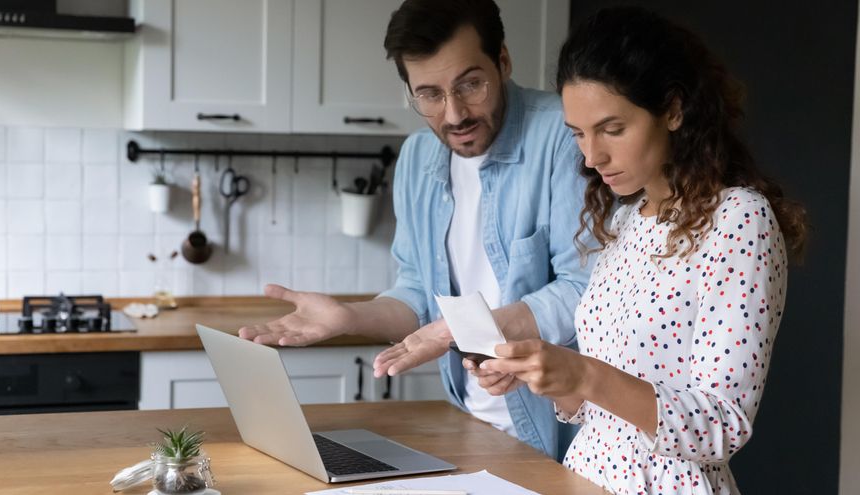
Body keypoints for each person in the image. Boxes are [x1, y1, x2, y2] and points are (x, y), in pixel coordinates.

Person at [238, 0, 592, 460]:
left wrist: (456, 331)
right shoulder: (416, 158)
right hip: (469, 418)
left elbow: (583, 288)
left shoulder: (564, 137)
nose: (453, 114)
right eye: (429, 94)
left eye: (471, 84)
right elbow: (416, 293)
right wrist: (351, 317)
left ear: (502, 61)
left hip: (563, 429)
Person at [476, 6, 807, 494]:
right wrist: (552, 376)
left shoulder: (739, 220)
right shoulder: (627, 218)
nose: (592, 157)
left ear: (673, 110)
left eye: (612, 129)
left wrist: (583, 374)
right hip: (586, 476)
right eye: (579, 134)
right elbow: (610, 399)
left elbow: (723, 425)